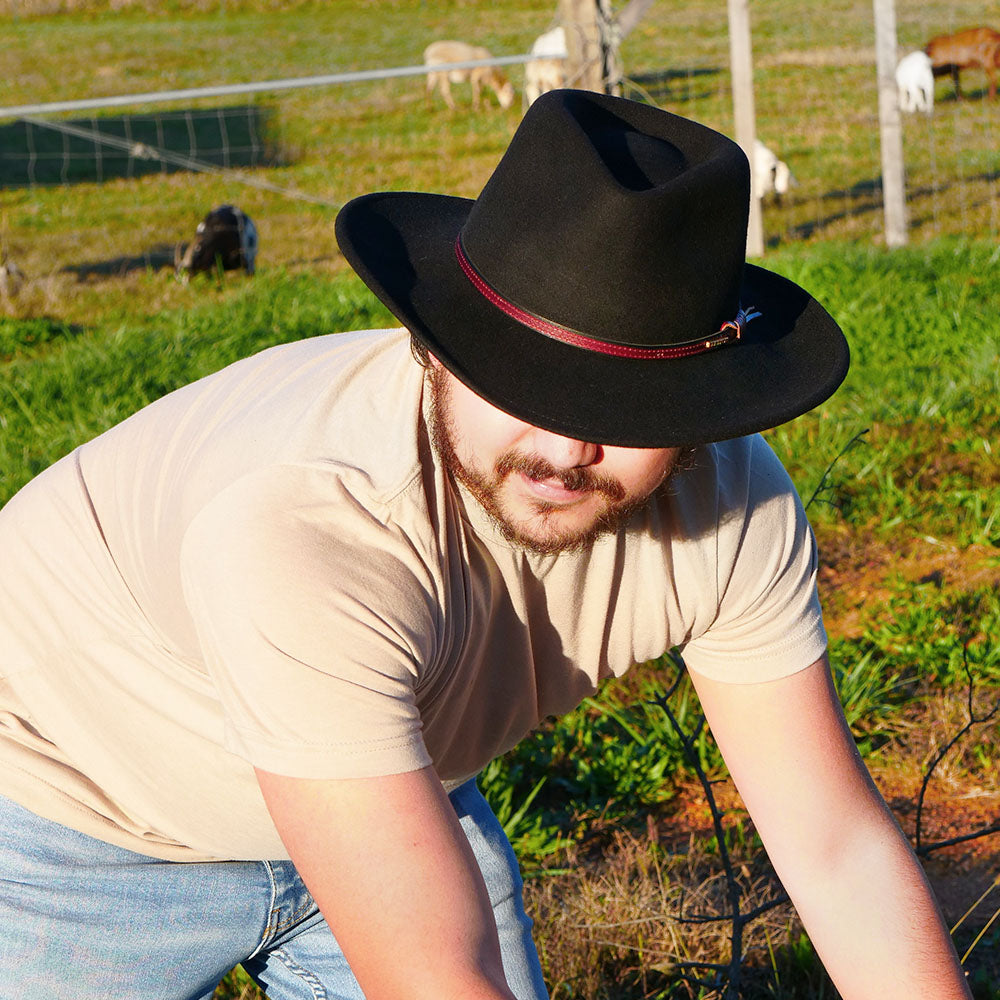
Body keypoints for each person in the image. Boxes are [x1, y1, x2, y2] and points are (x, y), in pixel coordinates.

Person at [0, 89, 971, 1000]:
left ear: (695, 415)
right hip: (73, 823)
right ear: (435, 347)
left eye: (622, 407)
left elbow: (834, 848)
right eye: (523, 384)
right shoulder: (308, 523)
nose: (564, 447)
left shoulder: (732, 507)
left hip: (400, 795)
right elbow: (431, 975)